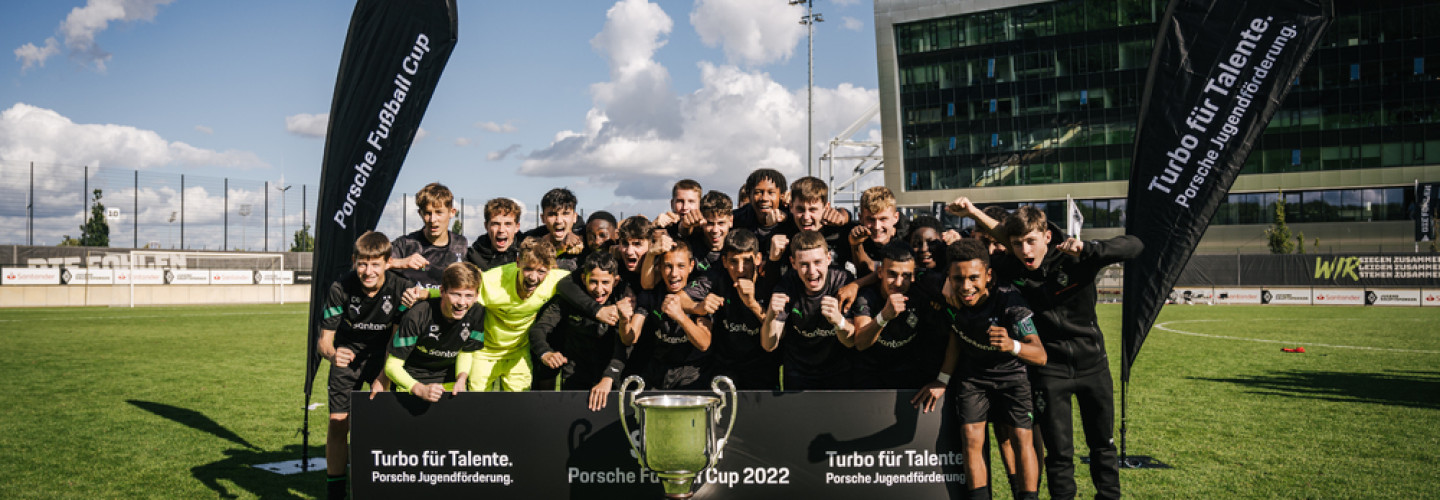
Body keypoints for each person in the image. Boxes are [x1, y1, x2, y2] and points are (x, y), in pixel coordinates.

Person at [950, 199, 1143, 500]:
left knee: (1102, 445)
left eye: (1031, 241)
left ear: (1048, 237)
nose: (1025, 250)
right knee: (1059, 453)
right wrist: (973, 214)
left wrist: (1089, 248)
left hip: (1092, 365)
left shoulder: (1075, 259)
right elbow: (979, 262)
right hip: (1049, 371)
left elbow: (1135, 246)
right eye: (1017, 244)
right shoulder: (1012, 266)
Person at [318, 231, 425, 500]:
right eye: (362, 264)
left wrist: (384, 377)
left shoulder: (402, 288)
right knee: (338, 422)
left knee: (385, 421)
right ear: (354, 261)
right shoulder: (340, 288)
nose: (368, 272)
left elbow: (396, 341)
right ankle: (335, 493)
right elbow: (324, 342)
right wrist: (333, 355)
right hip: (349, 355)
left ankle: (386, 485)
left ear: (388, 262)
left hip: (385, 355)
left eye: (375, 264)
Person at [528, 252, 634, 408]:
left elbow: (625, 345)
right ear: (584, 279)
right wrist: (545, 353)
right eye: (593, 282)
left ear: (616, 281)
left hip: (609, 380)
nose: (599, 289)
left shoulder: (622, 303)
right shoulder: (569, 300)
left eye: (605, 282)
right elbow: (538, 330)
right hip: (574, 380)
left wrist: (609, 377)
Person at [467, 238, 571, 392]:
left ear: (550, 269)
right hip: (485, 352)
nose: (533, 277)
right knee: (477, 403)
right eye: (528, 268)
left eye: (541, 271)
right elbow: (459, 296)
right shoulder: (490, 281)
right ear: (518, 262)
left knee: (518, 404)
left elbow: (586, 279)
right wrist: (428, 293)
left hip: (518, 353)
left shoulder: (556, 280)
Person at [760, 230, 856, 390]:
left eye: (817, 262)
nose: (812, 271)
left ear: (828, 258)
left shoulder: (842, 281)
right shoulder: (787, 284)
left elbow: (850, 341)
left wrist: (838, 321)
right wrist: (770, 316)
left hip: (837, 370)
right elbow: (769, 345)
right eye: (804, 264)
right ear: (793, 263)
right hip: (798, 372)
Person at [384, 262, 486, 403]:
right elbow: (392, 366)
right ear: (442, 291)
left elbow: (466, 351)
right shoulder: (417, 315)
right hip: (411, 382)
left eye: (469, 296)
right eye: (456, 294)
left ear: (477, 296)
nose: (462, 303)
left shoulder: (477, 312)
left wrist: (461, 379)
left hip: (449, 383)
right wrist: (419, 389)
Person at [848, 246, 946, 390]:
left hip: (908, 374)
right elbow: (861, 343)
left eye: (906, 275)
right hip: (870, 375)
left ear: (913, 276)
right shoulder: (867, 297)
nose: (899, 283)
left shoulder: (922, 292)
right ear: (880, 272)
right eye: (892, 274)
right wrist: (883, 317)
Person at [623, 241, 714, 390]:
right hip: (658, 370)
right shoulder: (651, 294)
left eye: (681, 266)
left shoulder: (699, 294)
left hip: (692, 373)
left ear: (691, 266)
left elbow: (704, 343)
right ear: (659, 266)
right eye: (668, 266)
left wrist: (680, 316)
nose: (674, 274)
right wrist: (623, 320)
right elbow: (630, 338)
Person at [696, 228, 779, 390]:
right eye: (733, 262)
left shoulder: (769, 283)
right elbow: (682, 297)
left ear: (758, 259)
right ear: (724, 261)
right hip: (725, 366)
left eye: (747, 261)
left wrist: (752, 303)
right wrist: (699, 307)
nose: (740, 269)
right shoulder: (717, 279)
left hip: (762, 367)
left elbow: (778, 332)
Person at [389, 183, 469, 288]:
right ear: (420, 213)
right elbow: (373, 263)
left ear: (452, 212)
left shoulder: (460, 244)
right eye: (427, 213)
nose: (432, 219)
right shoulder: (405, 244)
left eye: (439, 212)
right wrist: (400, 263)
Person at [844, 186, 910, 280]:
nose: (877, 226)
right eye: (871, 219)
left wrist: (856, 285)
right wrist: (856, 244)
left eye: (883, 219)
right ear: (860, 218)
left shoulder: (910, 236)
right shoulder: (851, 234)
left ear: (896, 218)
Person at [522, 188, 585, 271]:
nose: (559, 221)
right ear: (543, 218)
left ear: (574, 217)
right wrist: (558, 249)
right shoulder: (530, 240)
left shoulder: (587, 239)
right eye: (552, 214)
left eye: (565, 214)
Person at [466, 197, 522, 271]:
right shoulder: (472, 259)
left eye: (508, 224)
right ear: (486, 226)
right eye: (496, 224)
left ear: (517, 227)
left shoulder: (527, 256)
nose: (501, 230)